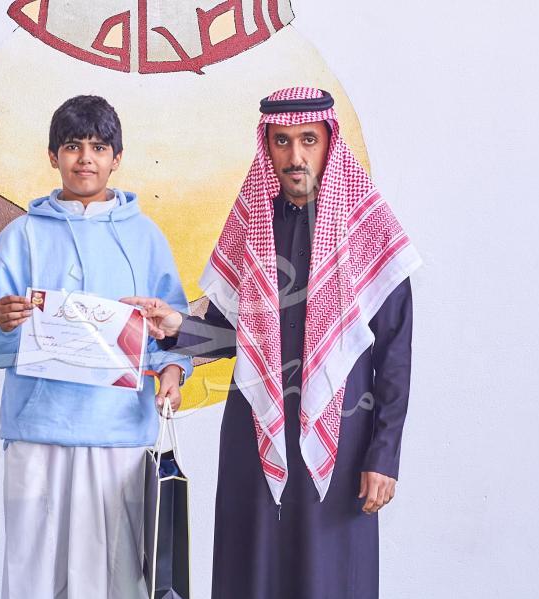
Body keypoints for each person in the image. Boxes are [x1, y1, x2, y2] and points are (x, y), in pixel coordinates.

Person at [124, 87, 421, 598]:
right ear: (267, 147)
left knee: (331, 579)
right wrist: (175, 326)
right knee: (252, 575)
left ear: (330, 141)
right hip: (254, 431)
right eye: (282, 141)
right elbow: (228, 335)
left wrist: (384, 456)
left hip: (344, 439)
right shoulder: (251, 225)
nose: (295, 155)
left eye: (308, 139)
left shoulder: (368, 230)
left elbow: (395, 354)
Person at [0, 95, 192, 599]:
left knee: (115, 580)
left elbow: (170, 333)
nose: (85, 158)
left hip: (120, 437)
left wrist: (173, 373)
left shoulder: (145, 238)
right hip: (37, 434)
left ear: (117, 157)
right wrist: (1, 324)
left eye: (98, 147)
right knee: (33, 578)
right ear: (53, 156)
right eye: (72, 146)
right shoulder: (21, 237)